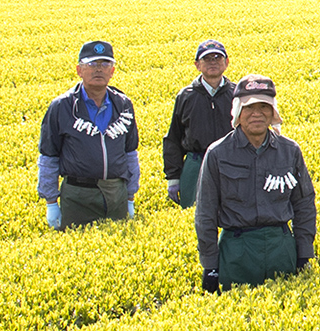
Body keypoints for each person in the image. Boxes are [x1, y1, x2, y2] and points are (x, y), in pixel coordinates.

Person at [195, 76, 317, 292]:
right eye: (249, 107)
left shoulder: (290, 151)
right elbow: (206, 212)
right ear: (238, 112)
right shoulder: (218, 153)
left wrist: (304, 253)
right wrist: (210, 266)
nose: (257, 114)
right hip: (237, 251)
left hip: (281, 248)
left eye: (264, 106)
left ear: (273, 112)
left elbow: (304, 204)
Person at [38, 40, 140, 231]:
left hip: (116, 194)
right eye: (92, 64)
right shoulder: (62, 107)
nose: (98, 70)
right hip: (78, 196)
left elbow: (130, 154)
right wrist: (51, 203)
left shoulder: (124, 105)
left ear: (112, 71)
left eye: (105, 64)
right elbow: (48, 156)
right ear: (79, 70)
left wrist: (130, 198)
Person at [163, 39, 235, 209]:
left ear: (226, 63)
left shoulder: (237, 94)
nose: (213, 62)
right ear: (197, 65)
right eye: (207, 59)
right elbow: (174, 138)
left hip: (232, 163)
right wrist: (173, 178)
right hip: (196, 164)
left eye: (217, 58)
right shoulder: (186, 96)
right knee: (195, 214)